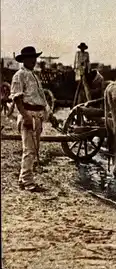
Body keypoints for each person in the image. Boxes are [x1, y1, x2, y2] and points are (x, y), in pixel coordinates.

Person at [9, 46, 59, 192]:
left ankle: (22, 179)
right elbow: (17, 99)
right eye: (30, 58)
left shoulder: (34, 75)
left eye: (34, 58)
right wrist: (26, 116)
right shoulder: (19, 75)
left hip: (38, 115)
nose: (33, 61)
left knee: (34, 148)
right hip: (28, 114)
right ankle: (28, 182)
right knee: (29, 150)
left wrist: (50, 116)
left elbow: (42, 99)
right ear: (23, 60)